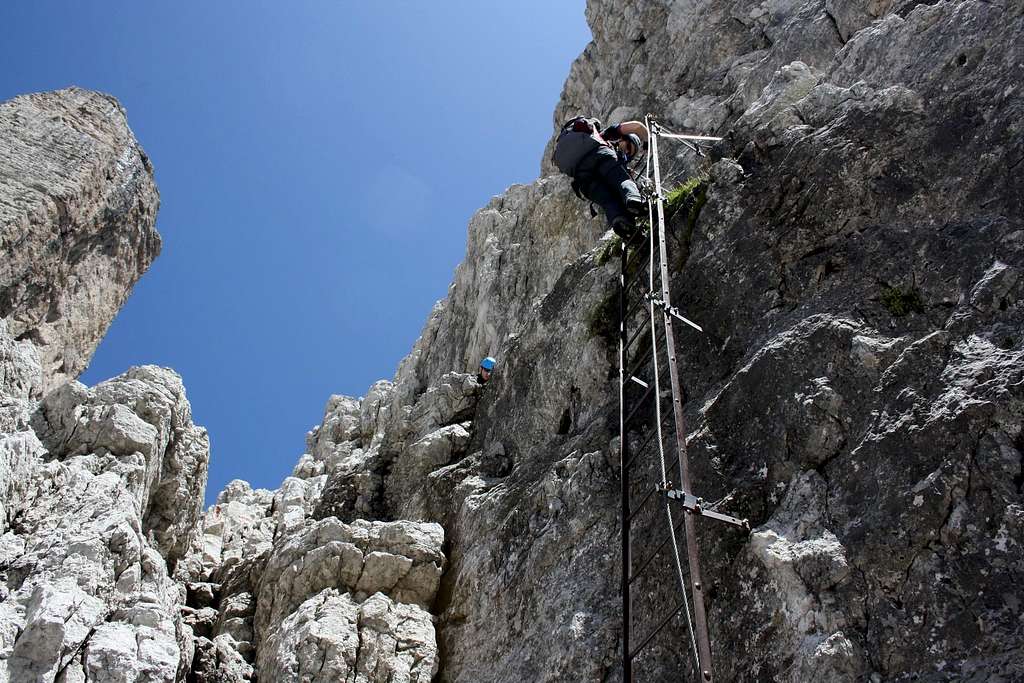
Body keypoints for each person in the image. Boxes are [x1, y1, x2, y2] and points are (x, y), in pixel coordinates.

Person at [552, 117, 649, 239]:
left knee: (608, 201)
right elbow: (637, 127)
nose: (627, 153)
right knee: (622, 180)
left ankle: (621, 222)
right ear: (622, 139)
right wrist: (647, 140)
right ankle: (635, 200)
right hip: (599, 154)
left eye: (630, 154)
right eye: (629, 147)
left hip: (581, 175)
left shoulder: (589, 138)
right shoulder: (607, 134)